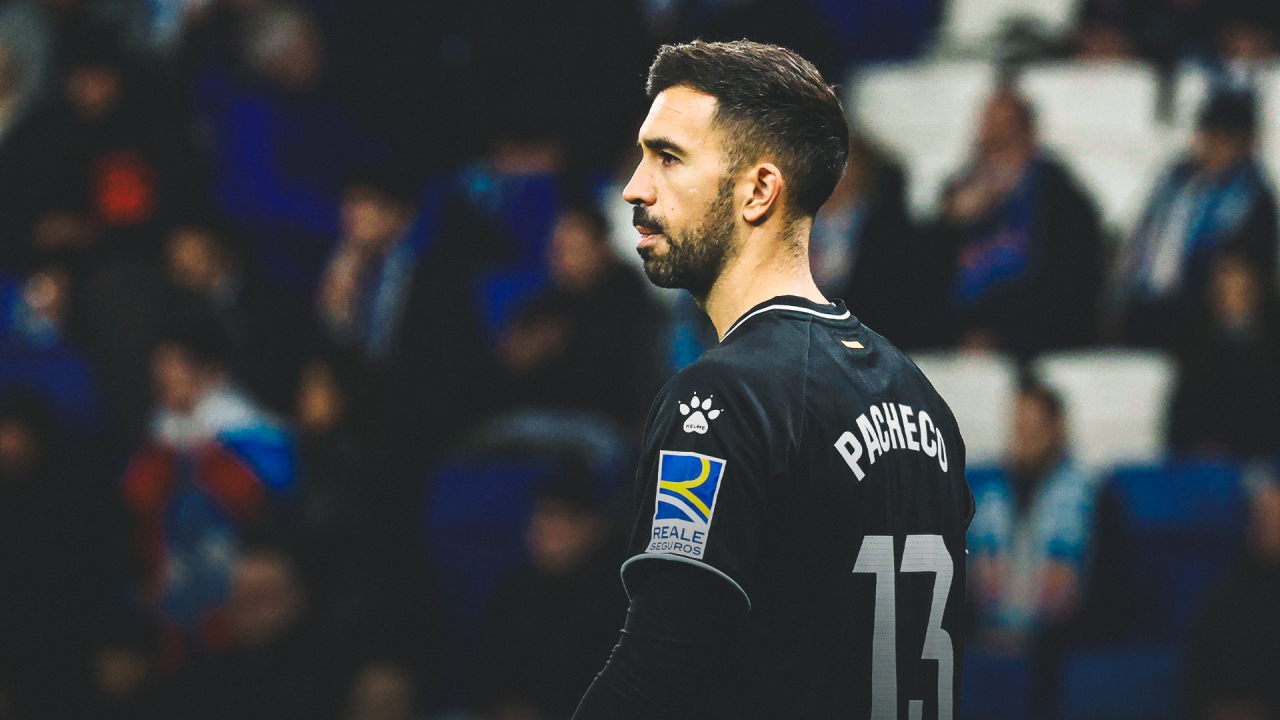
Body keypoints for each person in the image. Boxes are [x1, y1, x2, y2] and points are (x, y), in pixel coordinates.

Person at [573, 40, 973, 719]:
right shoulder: (923, 401)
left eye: (668, 157)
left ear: (758, 191)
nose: (635, 187)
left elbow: (656, 673)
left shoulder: (722, 397)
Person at [929, 85, 1104, 355]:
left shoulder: (1063, 203)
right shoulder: (957, 201)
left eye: (1006, 136)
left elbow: (1067, 289)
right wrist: (950, 225)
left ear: (1028, 137)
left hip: (1032, 339)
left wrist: (994, 332)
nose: (995, 147)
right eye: (988, 137)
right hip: (955, 336)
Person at [1113, 90, 1278, 348]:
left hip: (1198, 319)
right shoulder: (1175, 180)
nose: (1211, 146)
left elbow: (1241, 273)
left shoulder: (1251, 198)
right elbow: (1141, 238)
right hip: (1145, 304)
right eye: (1207, 135)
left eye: (1224, 139)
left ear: (1245, 143)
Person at [471, 465, 627, 720]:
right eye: (538, 515)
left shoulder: (621, 596)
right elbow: (482, 675)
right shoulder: (516, 590)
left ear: (593, 526)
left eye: (556, 517)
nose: (541, 528)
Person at [500, 204, 664, 430]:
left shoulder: (633, 305)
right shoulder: (544, 304)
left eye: (575, 248)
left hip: (604, 426)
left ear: (601, 247)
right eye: (558, 249)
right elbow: (509, 362)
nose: (562, 259)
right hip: (534, 420)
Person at [1186, 473, 1280, 720]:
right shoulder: (1229, 594)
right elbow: (1200, 676)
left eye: (1274, 521)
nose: (1263, 529)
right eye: (1258, 520)